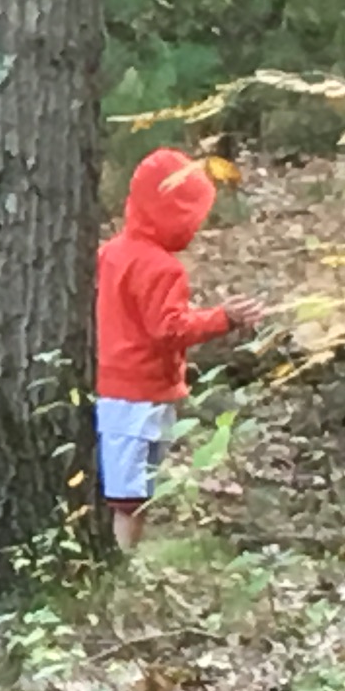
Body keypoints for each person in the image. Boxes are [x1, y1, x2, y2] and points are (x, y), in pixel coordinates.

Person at [91, 145, 255, 551]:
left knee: (123, 491)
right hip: (141, 396)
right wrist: (224, 318)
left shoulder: (109, 253)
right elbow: (168, 328)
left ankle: (114, 559)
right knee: (131, 497)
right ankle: (120, 565)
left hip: (110, 388)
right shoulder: (161, 268)